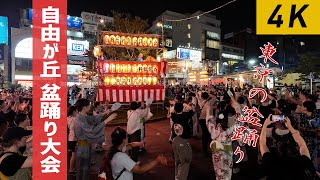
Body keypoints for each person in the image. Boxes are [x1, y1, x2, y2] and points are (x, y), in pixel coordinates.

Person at [260, 115, 318, 179]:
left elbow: (262, 144)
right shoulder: (304, 164)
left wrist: (265, 125)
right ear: (295, 151)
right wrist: (290, 127)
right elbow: (302, 144)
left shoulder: (272, 165)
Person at [74, 98, 117, 180]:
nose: (90, 107)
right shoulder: (79, 119)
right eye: (88, 105)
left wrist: (105, 113)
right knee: (83, 169)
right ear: (84, 108)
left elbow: (93, 119)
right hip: (83, 147)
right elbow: (91, 130)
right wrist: (107, 120)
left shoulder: (82, 116)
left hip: (84, 146)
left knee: (85, 168)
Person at [171, 102, 193, 180]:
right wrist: (185, 104)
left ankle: (177, 176)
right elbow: (191, 110)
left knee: (177, 160)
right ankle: (180, 177)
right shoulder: (185, 116)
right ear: (182, 108)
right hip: (183, 141)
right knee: (185, 161)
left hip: (174, 140)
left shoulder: (173, 116)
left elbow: (173, 111)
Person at [67, 106, 77, 174]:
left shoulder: (67, 118)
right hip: (74, 138)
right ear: (73, 112)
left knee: (74, 154)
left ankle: (72, 168)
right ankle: (71, 169)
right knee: (74, 155)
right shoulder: (74, 119)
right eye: (76, 111)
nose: (77, 112)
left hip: (70, 138)